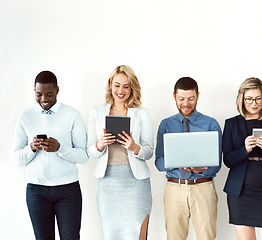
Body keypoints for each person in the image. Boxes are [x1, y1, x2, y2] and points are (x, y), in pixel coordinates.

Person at [11, 71, 88, 240]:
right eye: (39, 94)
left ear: (57, 90)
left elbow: (83, 155)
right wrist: (31, 148)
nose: (44, 99)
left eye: (49, 94)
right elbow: (16, 159)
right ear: (34, 91)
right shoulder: (25, 117)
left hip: (68, 190)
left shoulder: (72, 115)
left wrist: (60, 148)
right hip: (36, 191)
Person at [87, 65, 153, 240]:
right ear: (110, 84)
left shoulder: (141, 113)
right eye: (117, 85)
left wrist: (134, 147)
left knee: (137, 233)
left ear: (132, 87)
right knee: (111, 235)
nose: (121, 90)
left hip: (136, 184)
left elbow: (149, 151)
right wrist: (100, 144)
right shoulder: (96, 112)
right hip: (108, 184)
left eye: (126, 86)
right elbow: (90, 152)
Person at [155, 77, 222, 240]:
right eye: (181, 99)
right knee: (174, 237)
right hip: (174, 188)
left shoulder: (211, 124)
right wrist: (175, 162)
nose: (186, 103)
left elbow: (217, 163)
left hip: (203, 186)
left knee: (207, 236)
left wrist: (201, 170)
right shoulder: (166, 124)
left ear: (198, 96)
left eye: (191, 98)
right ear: (174, 96)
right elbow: (158, 162)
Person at [222, 77, 262, 240]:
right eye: (249, 99)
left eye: (258, 98)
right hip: (240, 193)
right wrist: (244, 149)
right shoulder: (231, 124)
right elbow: (228, 161)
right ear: (242, 99)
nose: (254, 103)